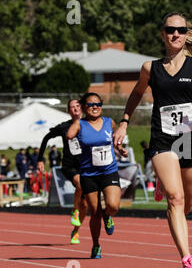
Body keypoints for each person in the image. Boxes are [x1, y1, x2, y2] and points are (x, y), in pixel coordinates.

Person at [114, 12, 192, 268]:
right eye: (170, 30)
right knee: (175, 199)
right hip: (162, 140)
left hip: (191, 140)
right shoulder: (150, 68)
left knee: (185, 205)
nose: (176, 34)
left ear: (186, 34)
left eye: (181, 30)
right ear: (162, 34)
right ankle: (187, 259)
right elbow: (137, 93)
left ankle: (164, 184)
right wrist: (124, 122)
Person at [67, 92, 128, 259]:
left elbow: (117, 139)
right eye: (91, 105)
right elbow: (69, 135)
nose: (95, 107)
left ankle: (108, 215)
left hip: (108, 170)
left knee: (113, 205)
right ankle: (96, 245)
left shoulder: (109, 122)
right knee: (94, 212)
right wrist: (77, 119)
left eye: (98, 104)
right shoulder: (81, 124)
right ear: (85, 107)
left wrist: (120, 149)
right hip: (89, 174)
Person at [37, 99, 87, 245]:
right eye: (72, 107)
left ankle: (76, 231)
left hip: (86, 165)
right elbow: (46, 137)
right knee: (80, 183)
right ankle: (75, 211)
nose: (75, 109)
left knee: (85, 204)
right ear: (68, 111)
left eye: (77, 106)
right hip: (69, 165)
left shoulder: (89, 124)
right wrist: (40, 159)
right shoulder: (64, 126)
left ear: (82, 108)